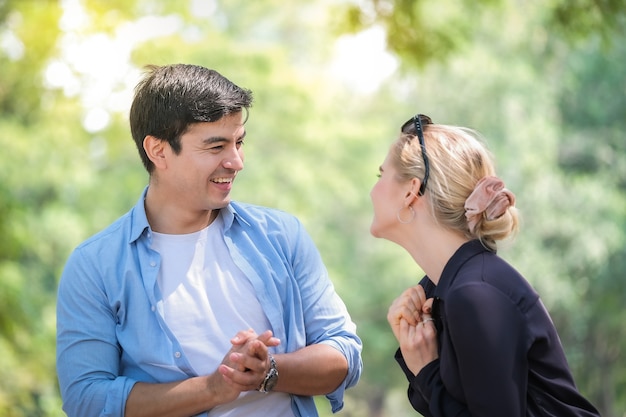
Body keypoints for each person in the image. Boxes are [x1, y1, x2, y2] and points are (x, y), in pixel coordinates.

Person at [56, 63, 362, 417]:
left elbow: (343, 353)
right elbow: (87, 399)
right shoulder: (95, 266)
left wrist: (268, 371)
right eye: (216, 146)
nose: (236, 162)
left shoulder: (282, 236)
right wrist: (214, 388)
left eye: (239, 142)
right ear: (158, 151)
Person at [369, 114, 600, 416]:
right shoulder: (438, 288)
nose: (373, 191)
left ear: (411, 191)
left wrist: (426, 370)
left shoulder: (476, 293)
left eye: (380, 176)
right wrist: (418, 356)